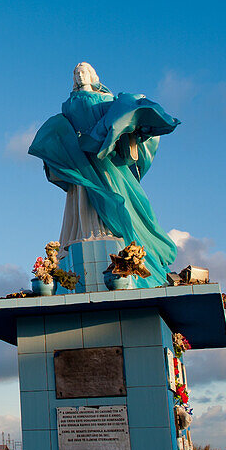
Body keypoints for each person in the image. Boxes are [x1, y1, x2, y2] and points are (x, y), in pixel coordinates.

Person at [28, 62, 180, 288]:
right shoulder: (68, 104)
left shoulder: (106, 100)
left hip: (104, 161)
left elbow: (120, 120)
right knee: (84, 196)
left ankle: (109, 234)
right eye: (76, 73)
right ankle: (87, 231)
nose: (80, 76)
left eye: (83, 72)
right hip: (80, 160)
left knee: (118, 200)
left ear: (92, 76)